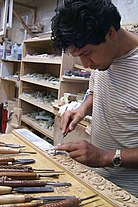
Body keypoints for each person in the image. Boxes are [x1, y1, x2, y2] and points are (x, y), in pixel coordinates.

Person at [51, 0, 138, 197]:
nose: (86, 64)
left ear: (110, 33)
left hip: (128, 195)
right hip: (96, 180)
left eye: (87, 54)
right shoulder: (102, 59)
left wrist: (105, 157)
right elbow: (95, 91)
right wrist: (81, 110)